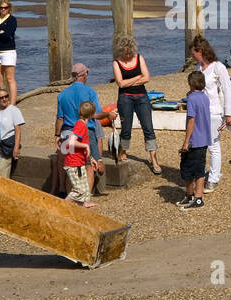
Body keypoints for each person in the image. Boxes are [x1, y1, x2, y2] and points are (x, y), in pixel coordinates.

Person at [189, 37, 231, 192]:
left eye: (193, 53)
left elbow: (228, 89)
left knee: (213, 145)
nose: (192, 56)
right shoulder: (198, 68)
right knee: (200, 145)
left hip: (214, 112)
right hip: (199, 113)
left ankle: (214, 178)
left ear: (200, 51)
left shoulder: (218, 67)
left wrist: (229, 114)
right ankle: (204, 174)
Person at [112, 35, 161, 175]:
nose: (127, 55)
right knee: (126, 128)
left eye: (129, 52)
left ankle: (154, 159)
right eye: (125, 53)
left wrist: (131, 81)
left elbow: (147, 78)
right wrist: (137, 77)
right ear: (121, 51)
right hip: (125, 98)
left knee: (148, 127)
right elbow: (120, 83)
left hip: (142, 97)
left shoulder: (139, 58)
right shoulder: (116, 63)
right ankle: (123, 152)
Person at [56, 62, 107, 194]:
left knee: (70, 165)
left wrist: (57, 135)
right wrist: (108, 114)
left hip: (67, 132)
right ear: (84, 75)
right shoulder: (90, 92)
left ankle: (69, 195)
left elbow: (60, 118)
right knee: (88, 165)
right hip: (85, 131)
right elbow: (96, 114)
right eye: (87, 74)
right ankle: (86, 196)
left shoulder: (62, 95)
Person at [178, 70, 211, 210]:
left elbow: (191, 120)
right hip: (204, 139)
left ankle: (197, 198)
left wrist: (186, 141)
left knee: (189, 169)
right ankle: (192, 195)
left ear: (190, 84)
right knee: (198, 168)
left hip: (194, 140)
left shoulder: (192, 99)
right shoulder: (205, 97)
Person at [62, 101, 95, 207]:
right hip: (73, 163)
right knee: (79, 190)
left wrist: (91, 158)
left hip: (79, 161)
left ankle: (82, 205)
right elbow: (71, 142)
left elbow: (81, 145)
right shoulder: (80, 125)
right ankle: (62, 205)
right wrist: (86, 146)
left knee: (85, 188)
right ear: (91, 115)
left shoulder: (81, 124)